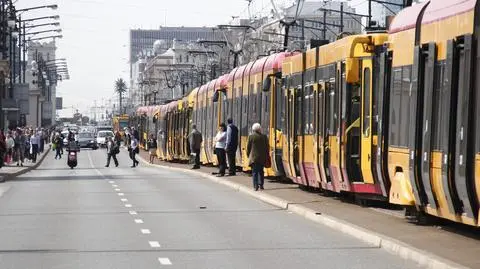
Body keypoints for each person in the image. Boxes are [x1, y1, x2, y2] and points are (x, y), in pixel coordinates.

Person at [247, 123, 269, 191]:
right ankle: (261, 185)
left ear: (253, 129)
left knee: (254, 172)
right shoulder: (264, 136)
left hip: (254, 158)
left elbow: (248, 147)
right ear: (259, 129)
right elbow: (267, 147)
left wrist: (248, 155)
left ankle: (255, 186)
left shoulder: (251, 137)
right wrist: (266, 155)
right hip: (262, 158)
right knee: (261, 171)